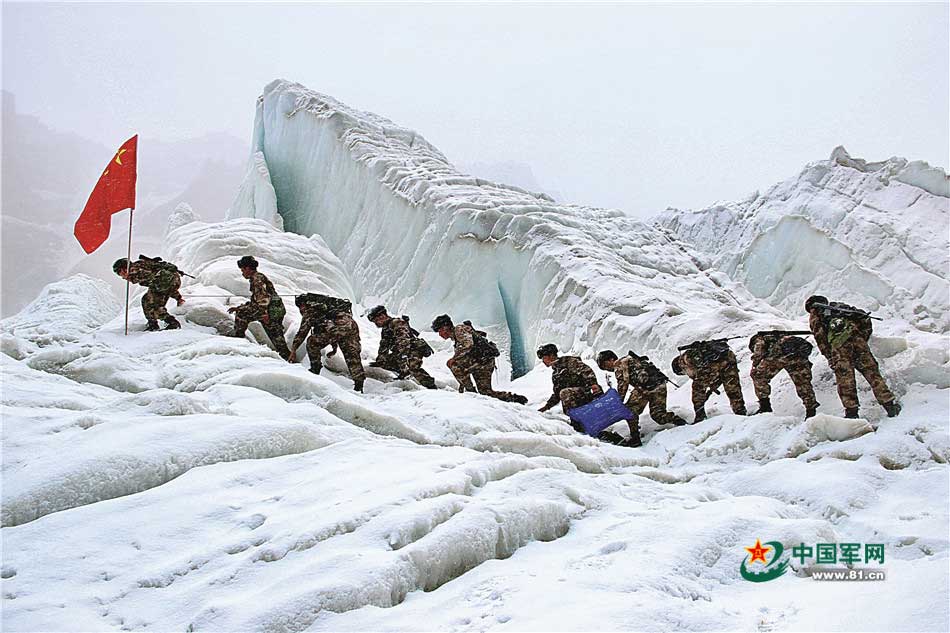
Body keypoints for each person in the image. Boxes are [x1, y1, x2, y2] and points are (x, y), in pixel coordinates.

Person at [805, 295, 900, 418]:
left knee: (845, 380)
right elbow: (864, 319)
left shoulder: (817, 313)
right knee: (872, 374)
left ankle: (852, 412)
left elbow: (821, 338)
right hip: (858, 343)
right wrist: (861, 339)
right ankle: (889, 405)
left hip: (839, 349)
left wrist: (830, 357)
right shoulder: (841, 308)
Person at [431, 314, 527, 404]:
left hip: (483, 362)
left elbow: (468, 344)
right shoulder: (457, 335)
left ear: (445, 327)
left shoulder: (459, 330)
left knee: (453, 364)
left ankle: (471, 393)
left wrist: (454, 358)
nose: (440, 334)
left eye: (440, 331)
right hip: (483, 361)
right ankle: (514, 399)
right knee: (486, 392)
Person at [596, 350, 686, 444]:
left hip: (644, 389)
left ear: (611, 359)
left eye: (605, 365)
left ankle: (635, 438)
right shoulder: (630, 359)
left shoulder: (619, 364)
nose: (606, 369)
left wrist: (618, 401)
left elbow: (623, 384)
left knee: (629, 411)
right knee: (658, 415)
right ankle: (679, 421)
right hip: (659, 385)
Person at [289, 293, 365, 392]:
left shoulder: (310, 311)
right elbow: (335, 332)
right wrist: (334, 346)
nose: (301, 310)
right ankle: (359, 385)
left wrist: (293, 350)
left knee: (311, 342)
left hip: (337, 328)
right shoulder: (330, 308)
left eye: (301, 307)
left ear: (303, 304)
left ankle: (315, 369)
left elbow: (302, 332)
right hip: (351, 326)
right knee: (352, 355)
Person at [227, 255, 291, 360]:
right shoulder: (257, 278)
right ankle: (287, 357)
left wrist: (264, 314)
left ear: (247, 268)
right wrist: (240, 307)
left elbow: (263, 299)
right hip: (275, 310)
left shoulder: (257, 279)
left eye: (242, 270)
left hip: (269, 311)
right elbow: (256, 301)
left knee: (242, 315)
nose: (242, 273)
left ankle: (238, 339)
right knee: (276, 337)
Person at [671, 340, 747, 422]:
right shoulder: (700, 351)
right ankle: (740, 410)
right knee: (732, 386)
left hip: (714, 364)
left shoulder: (682, 361)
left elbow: (697, 378)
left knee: (697, 389)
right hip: (728, 357)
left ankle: (700, 415)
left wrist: (705, 390)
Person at [749, 333, 819, 418]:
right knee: (803, 383)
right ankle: (811, 411)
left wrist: (755, 363)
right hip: (798, 354)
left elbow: (759, 349)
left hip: (781, 356)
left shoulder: (759, 339)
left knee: (757, 376)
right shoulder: (780, 337)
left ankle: (765, 406)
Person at [367, 305, 436, 389]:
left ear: (382, 316)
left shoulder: (397, 323)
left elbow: (403, 341)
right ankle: (404, 373)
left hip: (413, 349)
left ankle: (431, 386)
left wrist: (403, 359)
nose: (376, 323)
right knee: (384, 362)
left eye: (376, 320)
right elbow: (384, 346)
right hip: (401, 351)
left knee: (412, 367)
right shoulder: (386, 329)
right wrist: (380, 360)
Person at [113, 256, 183, 331]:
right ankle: (153, 323)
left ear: (123, 269)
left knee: (151, 303)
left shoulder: (135, 269)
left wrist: (130, 276)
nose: (121, 276)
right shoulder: (140, 266)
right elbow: (169, 286)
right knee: (146, 300)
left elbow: (152, 277)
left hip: (163, 282)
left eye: (119, 273)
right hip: (172, 281)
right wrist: (178, 298)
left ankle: (171, 323)